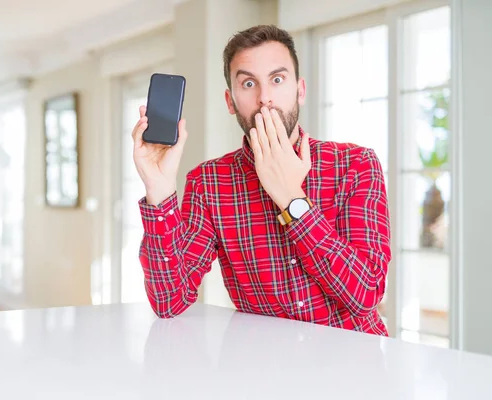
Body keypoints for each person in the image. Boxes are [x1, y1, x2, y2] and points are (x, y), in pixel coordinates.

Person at [131, 25, 391, 336]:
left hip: (356, 368)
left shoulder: (356, 165)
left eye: (277, 80)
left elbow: (365, 295)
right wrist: (158, 190)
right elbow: (168, 301)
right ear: (230, 102)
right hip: (262, 370)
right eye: (248, 83)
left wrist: (292, 200)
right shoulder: (209, 183)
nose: (265, 98)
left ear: (300, 90)